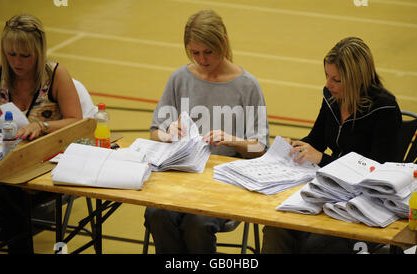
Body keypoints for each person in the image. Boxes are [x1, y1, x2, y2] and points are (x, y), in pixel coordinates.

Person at [144, 9, 269, 253]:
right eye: (195, 53)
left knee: (197, 222)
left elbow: (260, 147)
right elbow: (153, 132)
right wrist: (167, 133)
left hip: (225, 179)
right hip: (183, 176)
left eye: (208, 52)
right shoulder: (179, 78)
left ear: (222, 41)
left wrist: (235, 141)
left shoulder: (247, 85)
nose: (202, 59)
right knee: (156, 214)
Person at [262, 37, 402, 253]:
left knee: (316, 246)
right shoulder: (332, 97)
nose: (328, 84)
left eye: (336, 79)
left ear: (357, 79)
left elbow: (376, 175)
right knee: (276, 227)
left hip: (365, 206)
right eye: (327, 76)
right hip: (330, 194)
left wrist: (322, 159)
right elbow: (316, 139)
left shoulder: (385, 110)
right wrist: (295, 147)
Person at [0, 14, 82, 253]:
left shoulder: (56, 75)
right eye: (11, 54)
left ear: (39, 52)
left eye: (25, 56)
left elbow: (78, 123)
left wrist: (43, 126)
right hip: (2, 160)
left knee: (7, 193)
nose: (17, 62)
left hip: (41, 166)